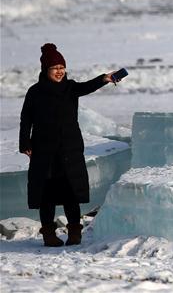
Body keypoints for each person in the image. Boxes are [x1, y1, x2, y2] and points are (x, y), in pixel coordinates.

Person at [18, 43, 118, 247]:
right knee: (46, 195)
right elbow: (25, 118)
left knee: (71, 192)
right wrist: (24, 142)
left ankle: (74, 232)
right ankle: (49, 234)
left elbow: (87, 87)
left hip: (69, 150)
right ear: (46, 70)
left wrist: (104, 79)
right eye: (55, 68)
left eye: (62, 67)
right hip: (44, 151)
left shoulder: (70, 88)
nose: (59, 72)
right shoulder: (35, 92)